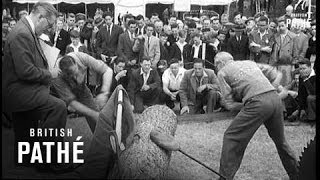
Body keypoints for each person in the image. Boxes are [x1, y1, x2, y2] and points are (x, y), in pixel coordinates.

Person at [2, 2, 68, 170]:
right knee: (58, 107)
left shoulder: (25, 30)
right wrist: (50, 74)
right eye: (49, 24)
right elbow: (25, 71)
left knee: (25, 134)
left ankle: (29, 158)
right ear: (40, 17)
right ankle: (50, 161)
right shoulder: (22, 33)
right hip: (20, 92)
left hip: (21, 89)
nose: (50, 29)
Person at [214, 52, 299, 180]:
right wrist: (272, 88)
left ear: (220, 63)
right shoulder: (249, 62)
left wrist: (245, 104)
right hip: (275, 100)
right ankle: (298, 174)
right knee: (281, 141)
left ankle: (224, 177)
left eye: (216, 65)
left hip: (257, 102)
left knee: (232, 137)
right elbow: (276, 73)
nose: (216, 68)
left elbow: (229, 103)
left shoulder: (222, 72)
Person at [51, 52, 113, 132]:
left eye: (76, 72)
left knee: (97, 120)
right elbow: (72, 103)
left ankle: (102, 140)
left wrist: (104, 93)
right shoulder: (57, 76)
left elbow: (108, 70)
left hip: (82, 90)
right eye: (71, 75)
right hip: (59, 96)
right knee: (57, 120)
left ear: (76, 63)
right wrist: (93, 114)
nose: (75, 77)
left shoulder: (82, 57)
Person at [271, 16, 297, 87]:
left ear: (286, 25)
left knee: (287, 83)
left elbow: (295, 52)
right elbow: (274, 52)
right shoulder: (276, 36)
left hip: (288, 63)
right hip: (278, 63)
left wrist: (293, 64)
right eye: (279, 26)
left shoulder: (293, 36)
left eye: (282, 26)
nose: (281, 28)